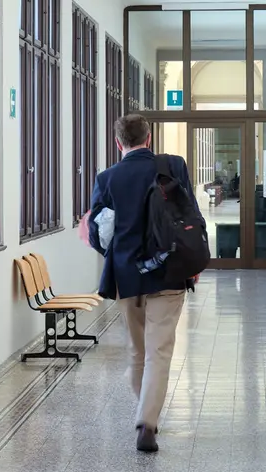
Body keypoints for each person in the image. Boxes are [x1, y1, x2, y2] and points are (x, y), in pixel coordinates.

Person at [89, 114, 203, 453]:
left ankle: (145, 414)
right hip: (168, 273)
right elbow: (191, 216)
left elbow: (98, 233)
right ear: (149, 138)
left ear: (118, 142)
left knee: (137, 351)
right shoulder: (173, 166)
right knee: (159, 351)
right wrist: (194, 261)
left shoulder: (107, 178)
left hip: (126, 277)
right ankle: (147, 422)